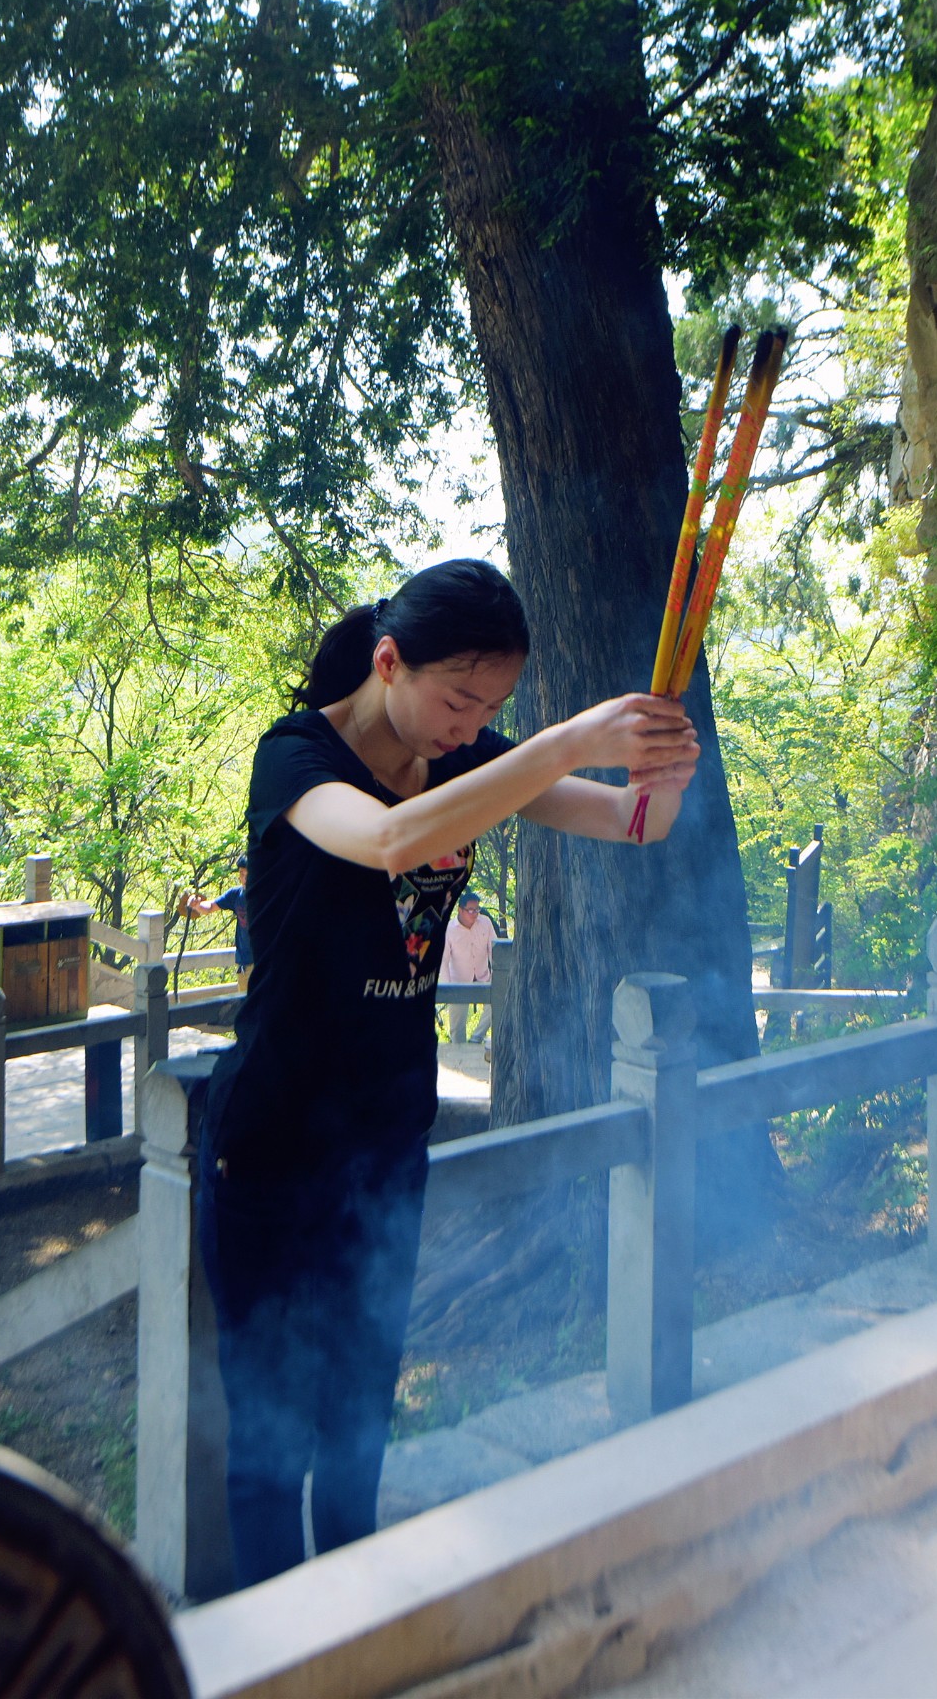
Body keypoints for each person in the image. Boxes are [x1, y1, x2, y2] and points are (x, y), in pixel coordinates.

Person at [196, 558, 698, 1587]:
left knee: (355, 1432)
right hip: (275, 1148)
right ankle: (276, 1653)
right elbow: (384, 840)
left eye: (494, 707)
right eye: (459, 697)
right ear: (390, 662)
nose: (473, 724)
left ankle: (357, 1635)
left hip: (385, 1147)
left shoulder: (471, 754)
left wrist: (664, 771)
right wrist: (569, 737)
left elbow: (629, 824)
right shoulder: (296, 757)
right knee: (267, 1447)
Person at [181, 856, 252, 987]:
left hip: (265, 963)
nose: (245, 878)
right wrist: (196, 905)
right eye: (242, 874)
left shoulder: (268, 895)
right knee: (245, 1004)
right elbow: (210, 907)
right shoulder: (235, 895)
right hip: (243, 964)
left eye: (249, 874)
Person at [440, 889, 495, 1042]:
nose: (474, 914)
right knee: (457, 1028)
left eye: (477, 910)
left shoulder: (485, 923)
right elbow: (443, 959)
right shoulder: (449, 929)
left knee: (496, 1004)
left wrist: (497, 976)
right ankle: (459, 1052)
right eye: (470, 910)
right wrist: (447, 987)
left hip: (483, 976)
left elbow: (493, 950)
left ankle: (477, 1037)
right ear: (460, 910)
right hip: (459, 981)